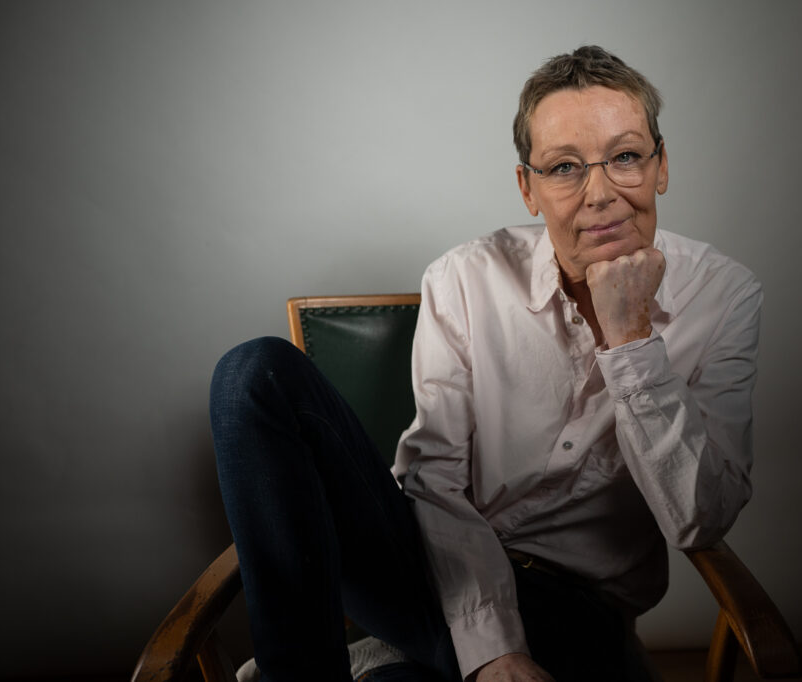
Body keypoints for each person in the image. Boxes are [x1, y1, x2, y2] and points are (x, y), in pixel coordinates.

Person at [211, 45, 760, 682]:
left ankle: (386, 657)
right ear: (528, 187)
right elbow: (434, 479)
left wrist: (631, 341)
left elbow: (701, 519)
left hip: (576, 612)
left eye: (626, 157)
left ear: (661, 166)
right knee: (253, 374)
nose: (601, 193)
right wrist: (495, 650)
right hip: (427, 569)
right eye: (564, 167)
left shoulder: (725, 295)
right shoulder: (464, 278)